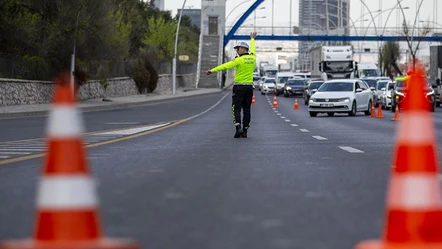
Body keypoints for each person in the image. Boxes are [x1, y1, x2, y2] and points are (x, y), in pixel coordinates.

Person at [205, 32, 257, 138]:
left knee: (236, 108)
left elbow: (225, 66)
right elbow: (253, 49)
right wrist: (252, 39)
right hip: (249, 87)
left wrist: (212, 70)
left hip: (239, 87)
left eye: (238, 49)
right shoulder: (253, 58)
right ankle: (245, 130)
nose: (237, 51)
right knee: (247, 109)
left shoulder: (238, 60)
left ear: (243, 49)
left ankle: (238, 128)